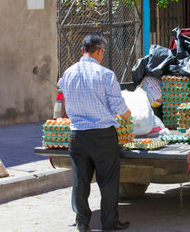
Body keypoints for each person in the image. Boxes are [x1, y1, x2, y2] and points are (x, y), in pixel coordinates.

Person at [58, 34, 131, 232]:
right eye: (103, 52)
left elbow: (63, 98)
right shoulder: (105, 74)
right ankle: (109, 223)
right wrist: (127, 114)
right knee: (107, 180)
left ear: (83, 51)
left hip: (77, 135)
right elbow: (119, 107)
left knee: (80, 181)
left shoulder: (68, 74)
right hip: (102, 136)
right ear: (99, 51)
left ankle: (82, 222)